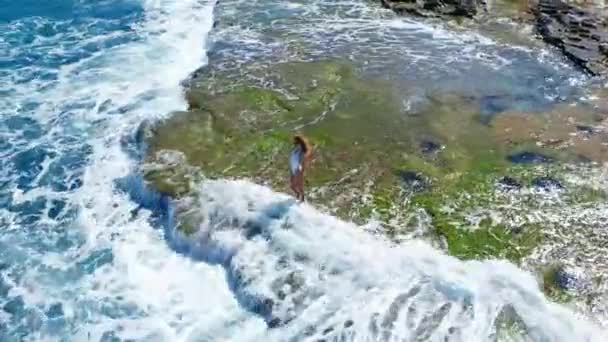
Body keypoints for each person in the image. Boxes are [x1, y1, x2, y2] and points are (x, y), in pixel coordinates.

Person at [289, 134, 312, 202]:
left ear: (298, 141)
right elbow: (291, 159)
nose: (293, 141)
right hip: (292, 168)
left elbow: (303, 159)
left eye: (295, 140)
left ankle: (302, 198)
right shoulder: (295, 149)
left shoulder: (301, 150)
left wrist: (302, 168)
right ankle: (298, 194)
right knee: (292, 186)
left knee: (299, 185)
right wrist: (290, 169)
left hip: (297, 168)